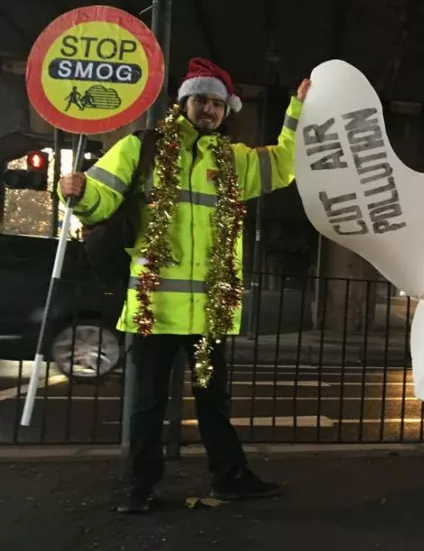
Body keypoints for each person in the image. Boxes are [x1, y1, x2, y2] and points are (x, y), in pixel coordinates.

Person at [59, 57, 311, 514]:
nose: (209, 109)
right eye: (202, 100)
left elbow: (284, 163)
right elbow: (102, 197)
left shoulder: (233, 160)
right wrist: (78, 192)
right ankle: (139, 487)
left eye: (217, 103)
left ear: (226, 110)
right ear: (184, 102)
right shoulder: (142, 148)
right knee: (147, 405)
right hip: (154, 307)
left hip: (209, 312)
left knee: (214, 403)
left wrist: (298, 110)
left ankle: (230, 478)